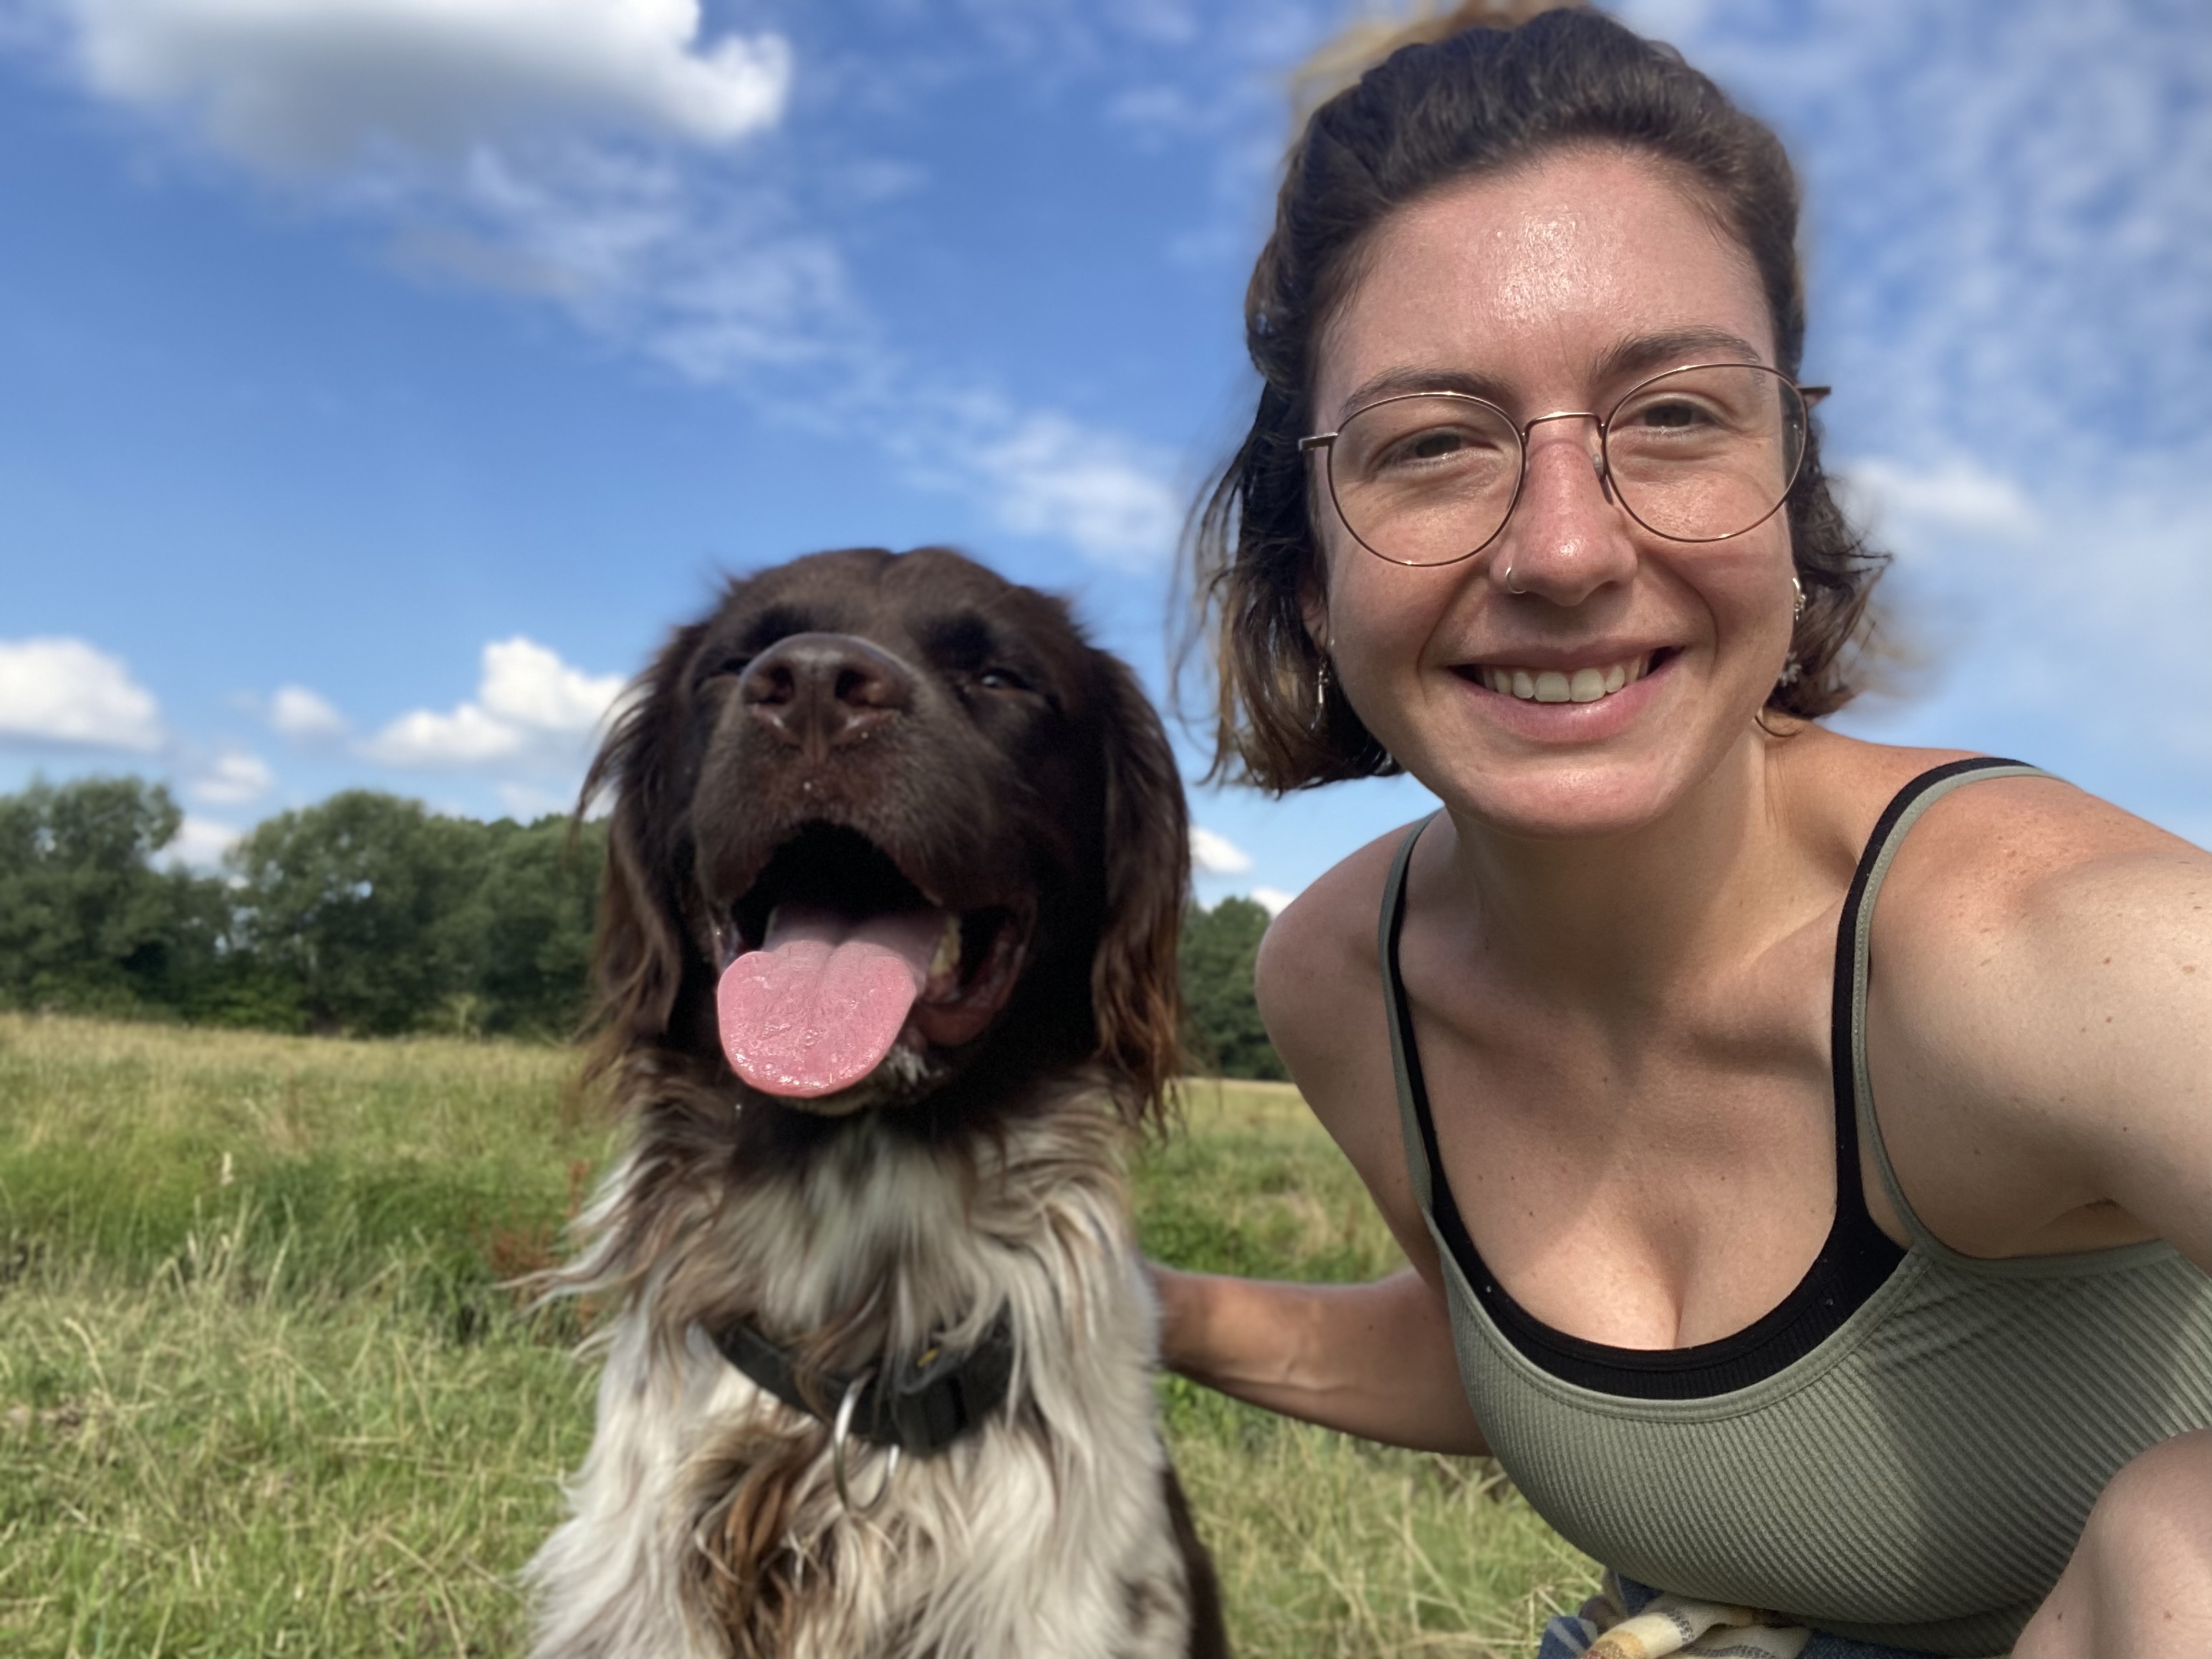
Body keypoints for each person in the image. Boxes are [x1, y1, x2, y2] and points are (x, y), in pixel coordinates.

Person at [1158, 5, 2212, 1655]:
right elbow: (1541, 1375)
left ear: (1791, 496)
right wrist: (1127, 1310)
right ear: (1309, 573)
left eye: (1669, 414)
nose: (1564, 548)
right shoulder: (1339, 982)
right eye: (1433, 443)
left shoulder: (2058, 954)